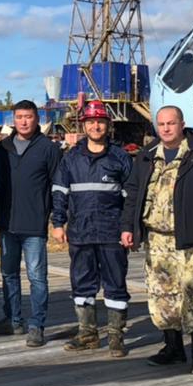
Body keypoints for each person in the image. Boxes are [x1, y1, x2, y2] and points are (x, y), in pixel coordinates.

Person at [121, 105, 193, 375]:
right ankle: (173, 348)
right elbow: (133, 194)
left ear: (182, 125)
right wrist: (128, 227)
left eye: (171, 123)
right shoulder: (146, 156)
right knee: (162, 296)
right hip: (156, 240)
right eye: (161, 124)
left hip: (190, 240)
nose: (166, 129)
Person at [51, 100, 133, 357]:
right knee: (82, 283)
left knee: (115, 284)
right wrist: (57, 223)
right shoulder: (71, 158)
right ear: (83, 125)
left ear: (108, 125)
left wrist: (129, 227)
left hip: (112, 232)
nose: (95, 126)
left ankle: (116, 337)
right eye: (91, 122)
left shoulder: (120, 158)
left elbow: (132, 198)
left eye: (100, 121)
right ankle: (87, 334)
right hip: (81, 232)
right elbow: (59, 192)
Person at [0, 100, 61, 347]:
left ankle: (37, 325)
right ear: (13, 119)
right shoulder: (4, 148)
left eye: (29, 117)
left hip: (34, 224)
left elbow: (58, 187)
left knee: (37, 277)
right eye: (19, 117)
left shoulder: (48, 148)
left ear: (37, 119)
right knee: (8, 274)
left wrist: (57, 220)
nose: (24, 121)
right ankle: (12, 319)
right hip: (7, 223)